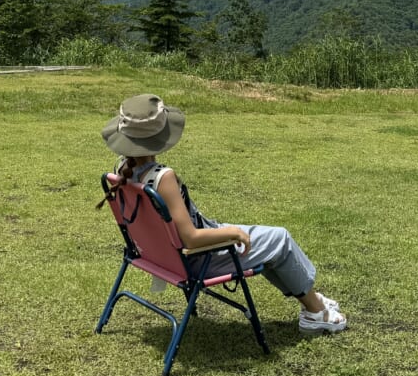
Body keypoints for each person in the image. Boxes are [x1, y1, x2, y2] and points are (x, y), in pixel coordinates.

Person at [98, 93, 347, 334]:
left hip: (157, 255)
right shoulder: (163, 178)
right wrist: (233, 233)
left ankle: (309, 296)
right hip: (195, 259)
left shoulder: (122, 169)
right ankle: (316, 312)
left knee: (269, 242)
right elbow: (191, 238)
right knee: (280, 240)